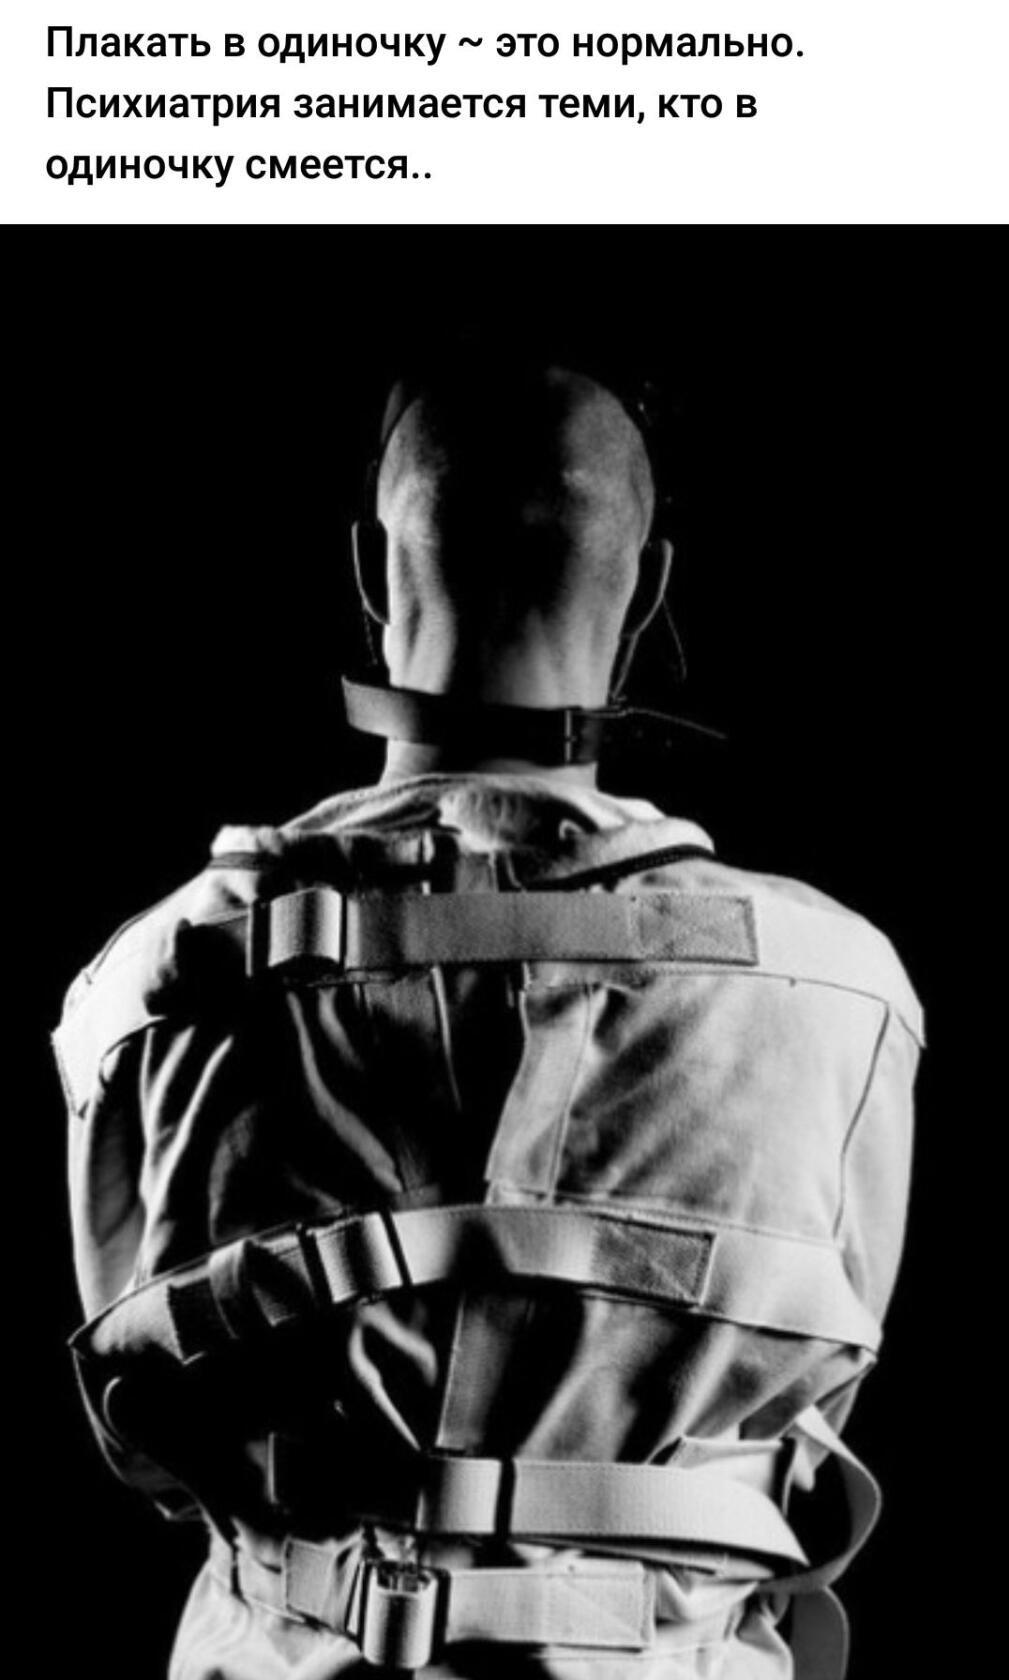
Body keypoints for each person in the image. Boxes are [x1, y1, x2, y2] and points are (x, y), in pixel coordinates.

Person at [54, 357, 922, 1680]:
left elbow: (146, 1429)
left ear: (368, 572)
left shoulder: (155, 982)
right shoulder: (841, 992)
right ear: (647, 588)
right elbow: (813, 1396)